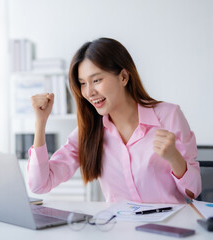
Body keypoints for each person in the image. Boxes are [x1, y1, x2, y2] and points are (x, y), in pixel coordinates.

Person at [28, 38, 201, 203]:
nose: (89, 92)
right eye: (83, 83)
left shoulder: (169, 116)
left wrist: (174, 158)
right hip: (119, 229)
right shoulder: (89, 131)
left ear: (124, 77)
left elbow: (193, 191)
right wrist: (40, 122)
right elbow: (40, 184)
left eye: (96, 80)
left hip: (167, 228)